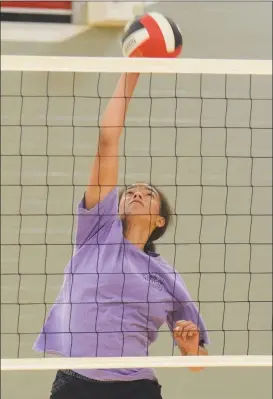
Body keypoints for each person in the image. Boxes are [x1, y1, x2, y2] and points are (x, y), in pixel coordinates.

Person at [34, 73, 209, 399]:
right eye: (131, 190)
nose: (137, 192)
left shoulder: (167, 277)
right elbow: (107, 141)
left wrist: (189, 349)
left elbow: (198, 363)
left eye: (148, 193)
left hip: (137, 387)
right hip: (77, 383)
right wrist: (132, 71)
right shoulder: (98, 232)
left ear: (159, 220)